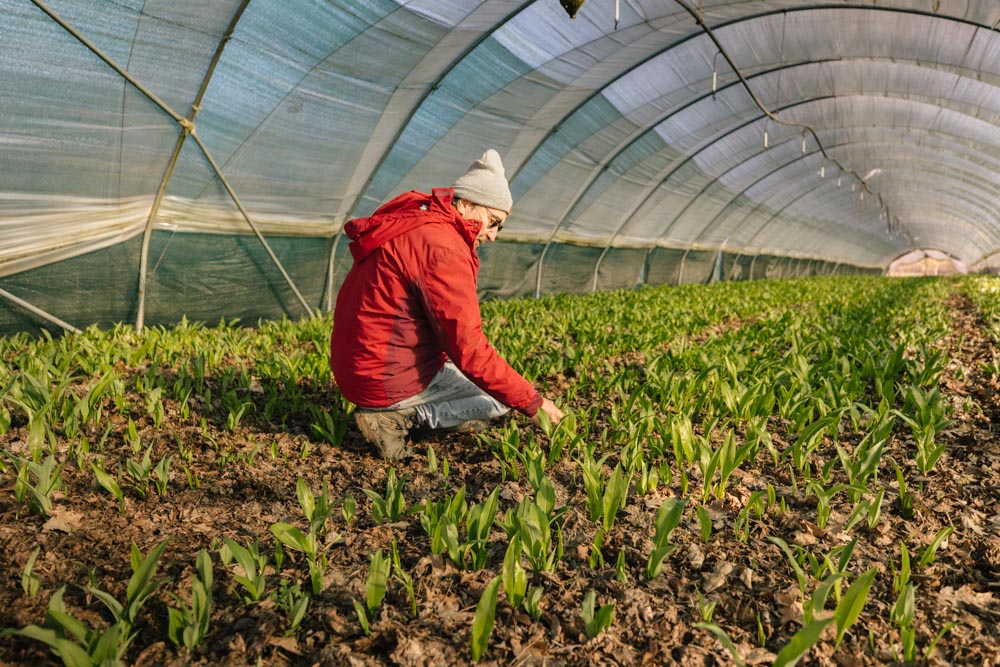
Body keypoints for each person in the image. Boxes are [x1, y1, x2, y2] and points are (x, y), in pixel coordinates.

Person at [330, 149, 563, 459]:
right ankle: (400, 417)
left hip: (360, 365)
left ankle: (418, 411)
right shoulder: (444, 248)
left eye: (500, 227)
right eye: (493, 222)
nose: (493, 236)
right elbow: (469, 348)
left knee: (484, 381)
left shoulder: (418, 222)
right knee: (500, 400)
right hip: (383, 377)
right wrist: (533, 403)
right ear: (465, 204)